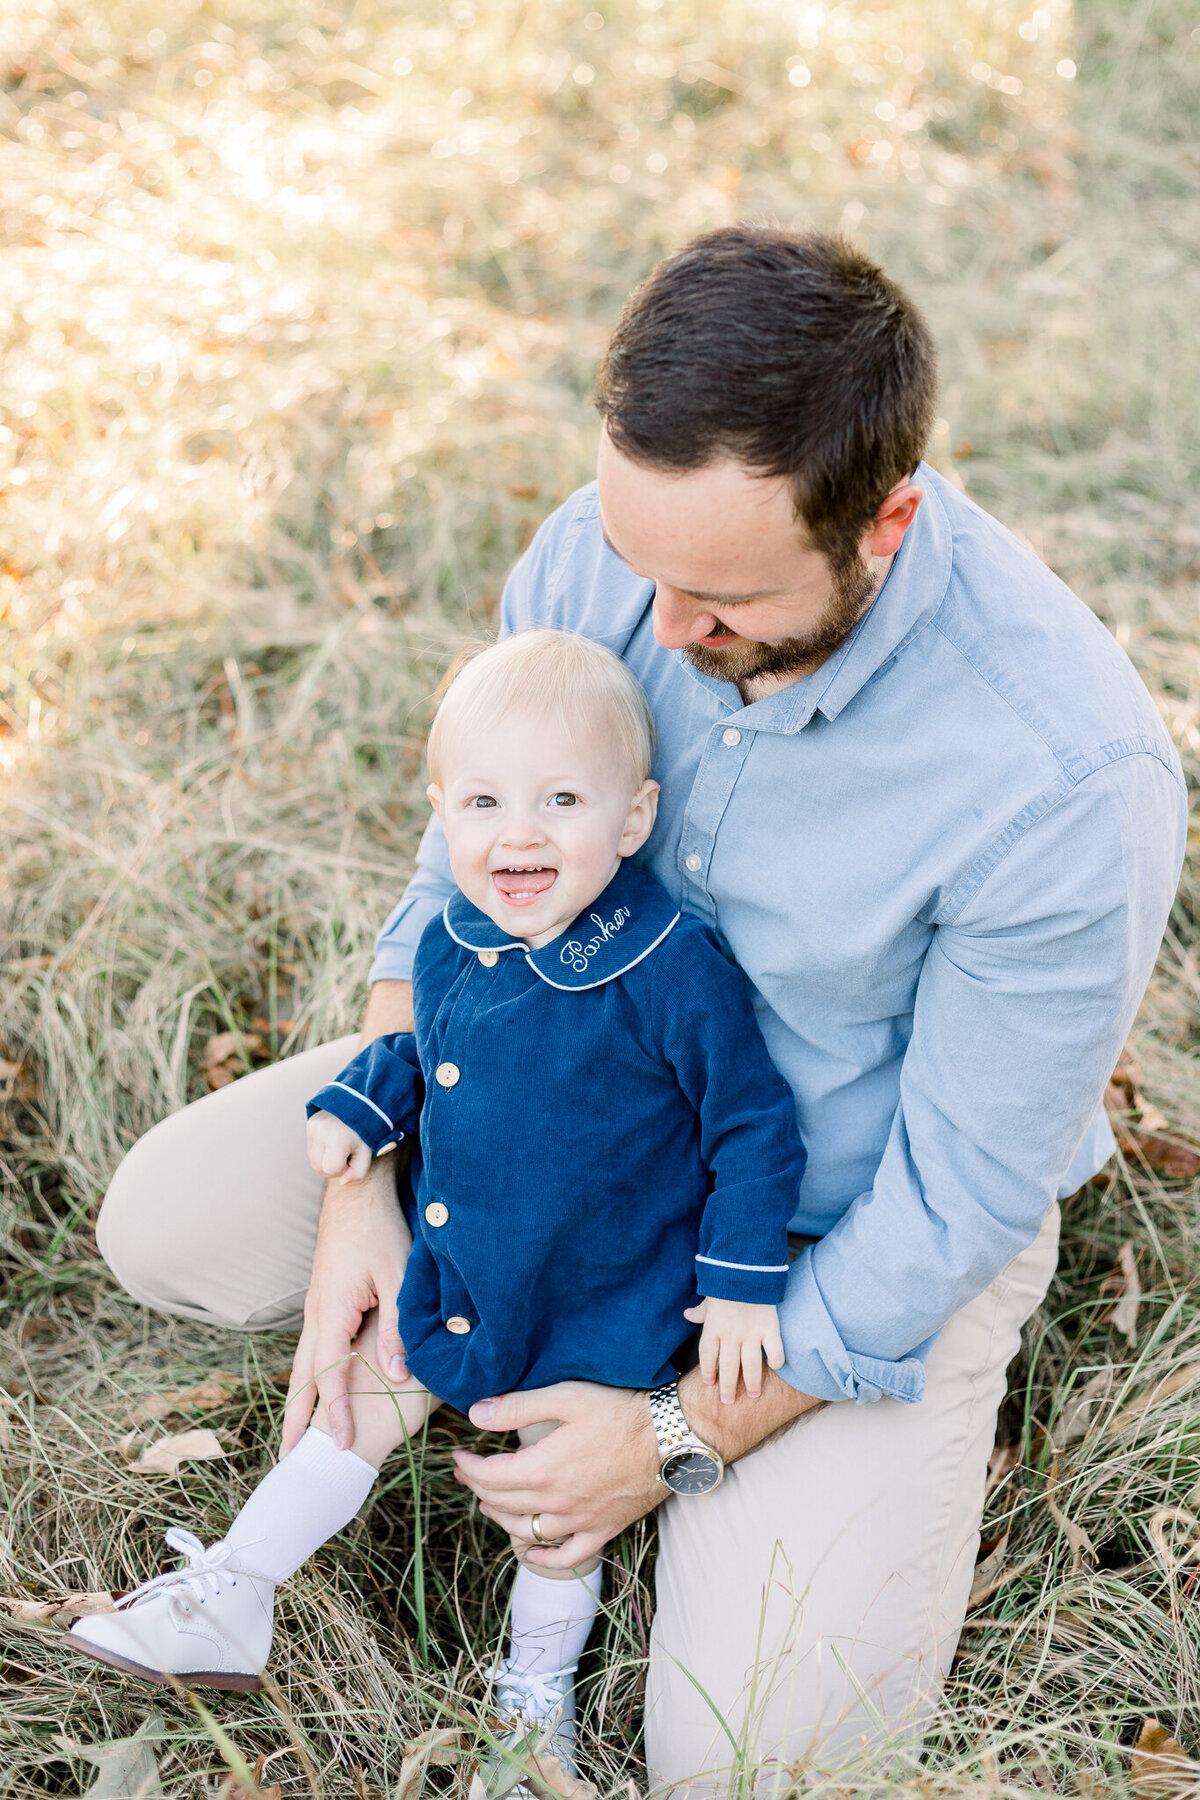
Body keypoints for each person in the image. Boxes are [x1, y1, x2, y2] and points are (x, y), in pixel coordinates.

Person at [93, 224, 1186, 1794]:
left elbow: (956, 1196)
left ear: (886, 518)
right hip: (530, 1075)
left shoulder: (1069, 779)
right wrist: (371, 1178)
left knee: (754, 1763)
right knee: (175, 1229)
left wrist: (673, 1440)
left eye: (726, 599)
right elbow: (456, 860)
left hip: (830, 1215)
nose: (663, 628)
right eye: (641, 566)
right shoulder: (620, 551)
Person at [70, 631, 804, 1771]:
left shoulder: (669, 967)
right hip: (463, 1271)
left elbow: (752, 1124)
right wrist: (362, 1111)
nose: (519, 834)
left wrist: (745, 1288)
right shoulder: (457, 934)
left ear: (633, 818)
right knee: (356, 1401)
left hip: (599, 1308)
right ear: (441, 813)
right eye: (483, 802)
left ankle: (532, 1699)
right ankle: (235, 1588)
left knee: (553, 1514)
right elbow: (423, 1049)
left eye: (563, 800)